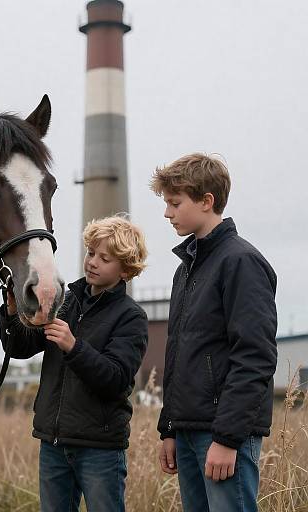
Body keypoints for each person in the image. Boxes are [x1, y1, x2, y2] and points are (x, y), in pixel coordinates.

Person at [150, 153, 277, 512]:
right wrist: (170, 428)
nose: (167, 213)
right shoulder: (185, 270)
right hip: (189, 431)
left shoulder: (241, 262)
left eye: (175, 203)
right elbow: (178, 354)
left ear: (207, 201)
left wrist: (227, 438)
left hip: (222, 435)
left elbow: (255, 356)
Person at [0, 215, 148, 512]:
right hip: (53, 445)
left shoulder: (131, 317)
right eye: (91, 252)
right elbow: (19, 347)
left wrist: (73, 346)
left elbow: (116, 380)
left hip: (100, 450)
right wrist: (12, 311)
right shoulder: (64, 301)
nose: (92, 261)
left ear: (125, 269)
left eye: (104, 258)